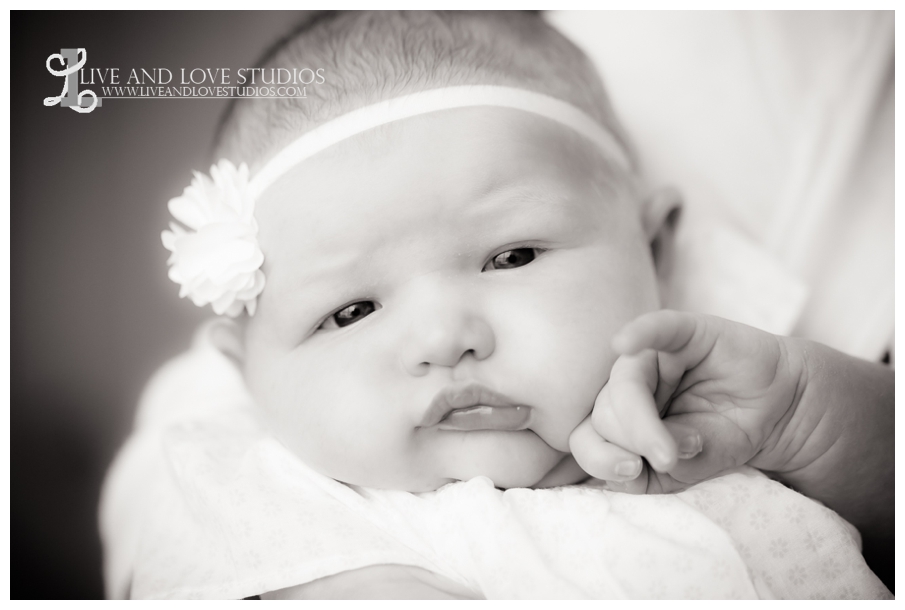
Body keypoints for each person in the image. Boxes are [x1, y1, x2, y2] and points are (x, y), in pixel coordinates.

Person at [100, 11, 893, 599]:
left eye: (510, 257)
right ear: (248, 373)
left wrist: (802, 414)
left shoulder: (731, 391)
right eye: (350, 312)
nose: (446, 337)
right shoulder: (246, 490)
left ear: (655, 251)